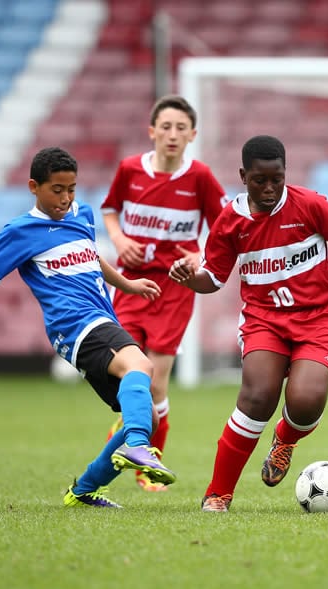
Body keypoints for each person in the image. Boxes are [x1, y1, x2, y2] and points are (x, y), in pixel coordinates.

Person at [0, 147, 177, 509]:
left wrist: (127, 285)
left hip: (100, 317)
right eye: (56, 190)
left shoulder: (82, 214)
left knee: (149, 414)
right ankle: (137, 447)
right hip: (74, 323)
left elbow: (91, 256)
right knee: (141, 367)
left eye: (72, 189)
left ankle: (84, 491)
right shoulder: (21, 232)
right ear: (34, 187)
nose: (65, 198)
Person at [169, 135, 328, 512]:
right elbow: (214, 278)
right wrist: (190, 279)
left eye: (278, 178)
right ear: (243, 176)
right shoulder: (230, 221)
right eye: (260, 180)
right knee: (258, 397)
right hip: (264, 319)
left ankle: (285, 439)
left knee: (304, 401)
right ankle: (218, 493)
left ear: (286, 173)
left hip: (318, 316)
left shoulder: (311, 205)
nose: (270, 188)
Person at [101, 95, 228, 492]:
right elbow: (109, 209)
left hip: (174, 288)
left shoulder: (201, 178)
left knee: (154, 382)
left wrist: (200, 252)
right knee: (127, 377)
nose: (172, 135)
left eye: (180, 128)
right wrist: (120, 239)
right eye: (165, 127)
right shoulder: (129, 170)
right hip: (131, 284)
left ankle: (147, 464)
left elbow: (224, 228)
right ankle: (129, 430)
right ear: (152, 131)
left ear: (193, 135)